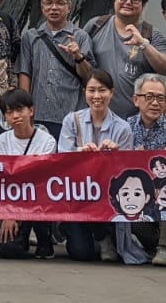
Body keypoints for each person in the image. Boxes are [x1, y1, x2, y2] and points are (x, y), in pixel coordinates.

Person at [56, 69, 134, 262]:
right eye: (91, 90)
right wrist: (79, 154)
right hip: (77, 192)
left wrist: (117, 154)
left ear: (112, 93)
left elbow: (129, 170)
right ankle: (99, 236)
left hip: (108, 193)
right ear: (85, 92)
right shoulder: (72, 120)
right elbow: (61, 158)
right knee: (81, 253)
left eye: (102, 90)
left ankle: (107, 236)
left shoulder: (123, 127)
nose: (97, 96)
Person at [85, 0, 166, 119]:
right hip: (96, 116)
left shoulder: (151, 34)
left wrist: (143, 44)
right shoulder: (96, 25)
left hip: (135, 120)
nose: (127, 2)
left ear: (143, 4)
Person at [18, 0, 96, 138]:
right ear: (42, 7)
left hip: (71, 116)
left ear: (69, 8)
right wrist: (25, 110)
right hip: (38, 114)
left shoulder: (80, 37)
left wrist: (78, 57)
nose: (54, 8)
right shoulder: (31, 36)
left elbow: (89, 76)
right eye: (49, 3)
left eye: (60, 3)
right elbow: (24, 73)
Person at [126, 74, 166, 266]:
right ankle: (150, 242)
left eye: (160, 98)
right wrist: (158, 158)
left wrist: (153, 161)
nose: (155, 103)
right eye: (149, 97)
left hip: (164, 189)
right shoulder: (125, 127)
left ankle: (165, 247)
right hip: (137, 188)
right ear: (136, 99)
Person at [0, 88, 56, 259]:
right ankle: (23, 236)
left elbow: (42, 179)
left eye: (20, 110)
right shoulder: (0, 142)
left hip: (39, 200)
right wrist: (8, 214)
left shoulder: (47, 141)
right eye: (9, 112)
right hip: (12, 201)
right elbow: (1, 181)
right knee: (8, 250)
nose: (15, 116)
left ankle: (45, 238)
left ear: (31, 110)